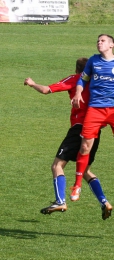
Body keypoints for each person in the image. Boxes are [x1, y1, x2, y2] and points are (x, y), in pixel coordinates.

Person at [24, 57, 112, 220]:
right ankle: (104, 202)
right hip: (95, 131)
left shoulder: (76, 79)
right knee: (85, 170)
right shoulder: (101, 81)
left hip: (79, 128)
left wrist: (31, 83)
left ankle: (60, 201)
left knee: (57, 165)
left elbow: (46, 90)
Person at [71, 34, 114, 219]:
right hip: (95, 109)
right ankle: (78, 185)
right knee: (84, 146)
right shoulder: (93, 61)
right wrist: (78, 92)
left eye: (103, 40)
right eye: (98, 40)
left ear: (111, 45)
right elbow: (83, 79)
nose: (99, 42)